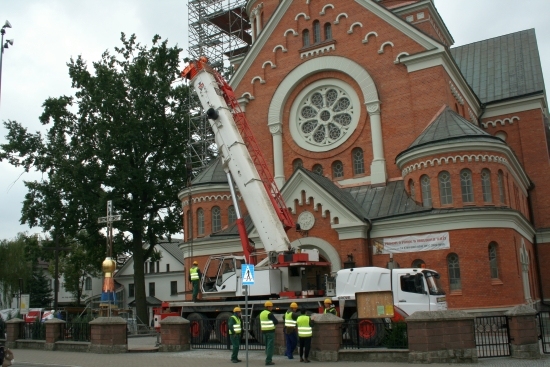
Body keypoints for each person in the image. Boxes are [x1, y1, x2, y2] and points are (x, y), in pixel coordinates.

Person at [260, 300, 278, 365]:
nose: (272, 308)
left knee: (267, 346)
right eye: (271, 307)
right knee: (270, 346)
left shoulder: (262, 313)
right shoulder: (269, 314)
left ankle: (267, 358)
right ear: (268, 307)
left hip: (264, 331)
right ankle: (268, 360)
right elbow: (276, 322)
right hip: (270, 332)